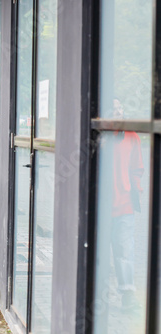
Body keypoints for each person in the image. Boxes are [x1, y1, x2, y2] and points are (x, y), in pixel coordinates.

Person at [110, 98, 144, 310]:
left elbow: (137, 167)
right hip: (100, 206)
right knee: (100, 255)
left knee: (125, 252)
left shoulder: (132, 136)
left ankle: (127, 296)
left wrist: (135, 188)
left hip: (124, 205)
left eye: (120, 108)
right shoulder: (98, 135)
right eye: (114, 109)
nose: (118, 112)